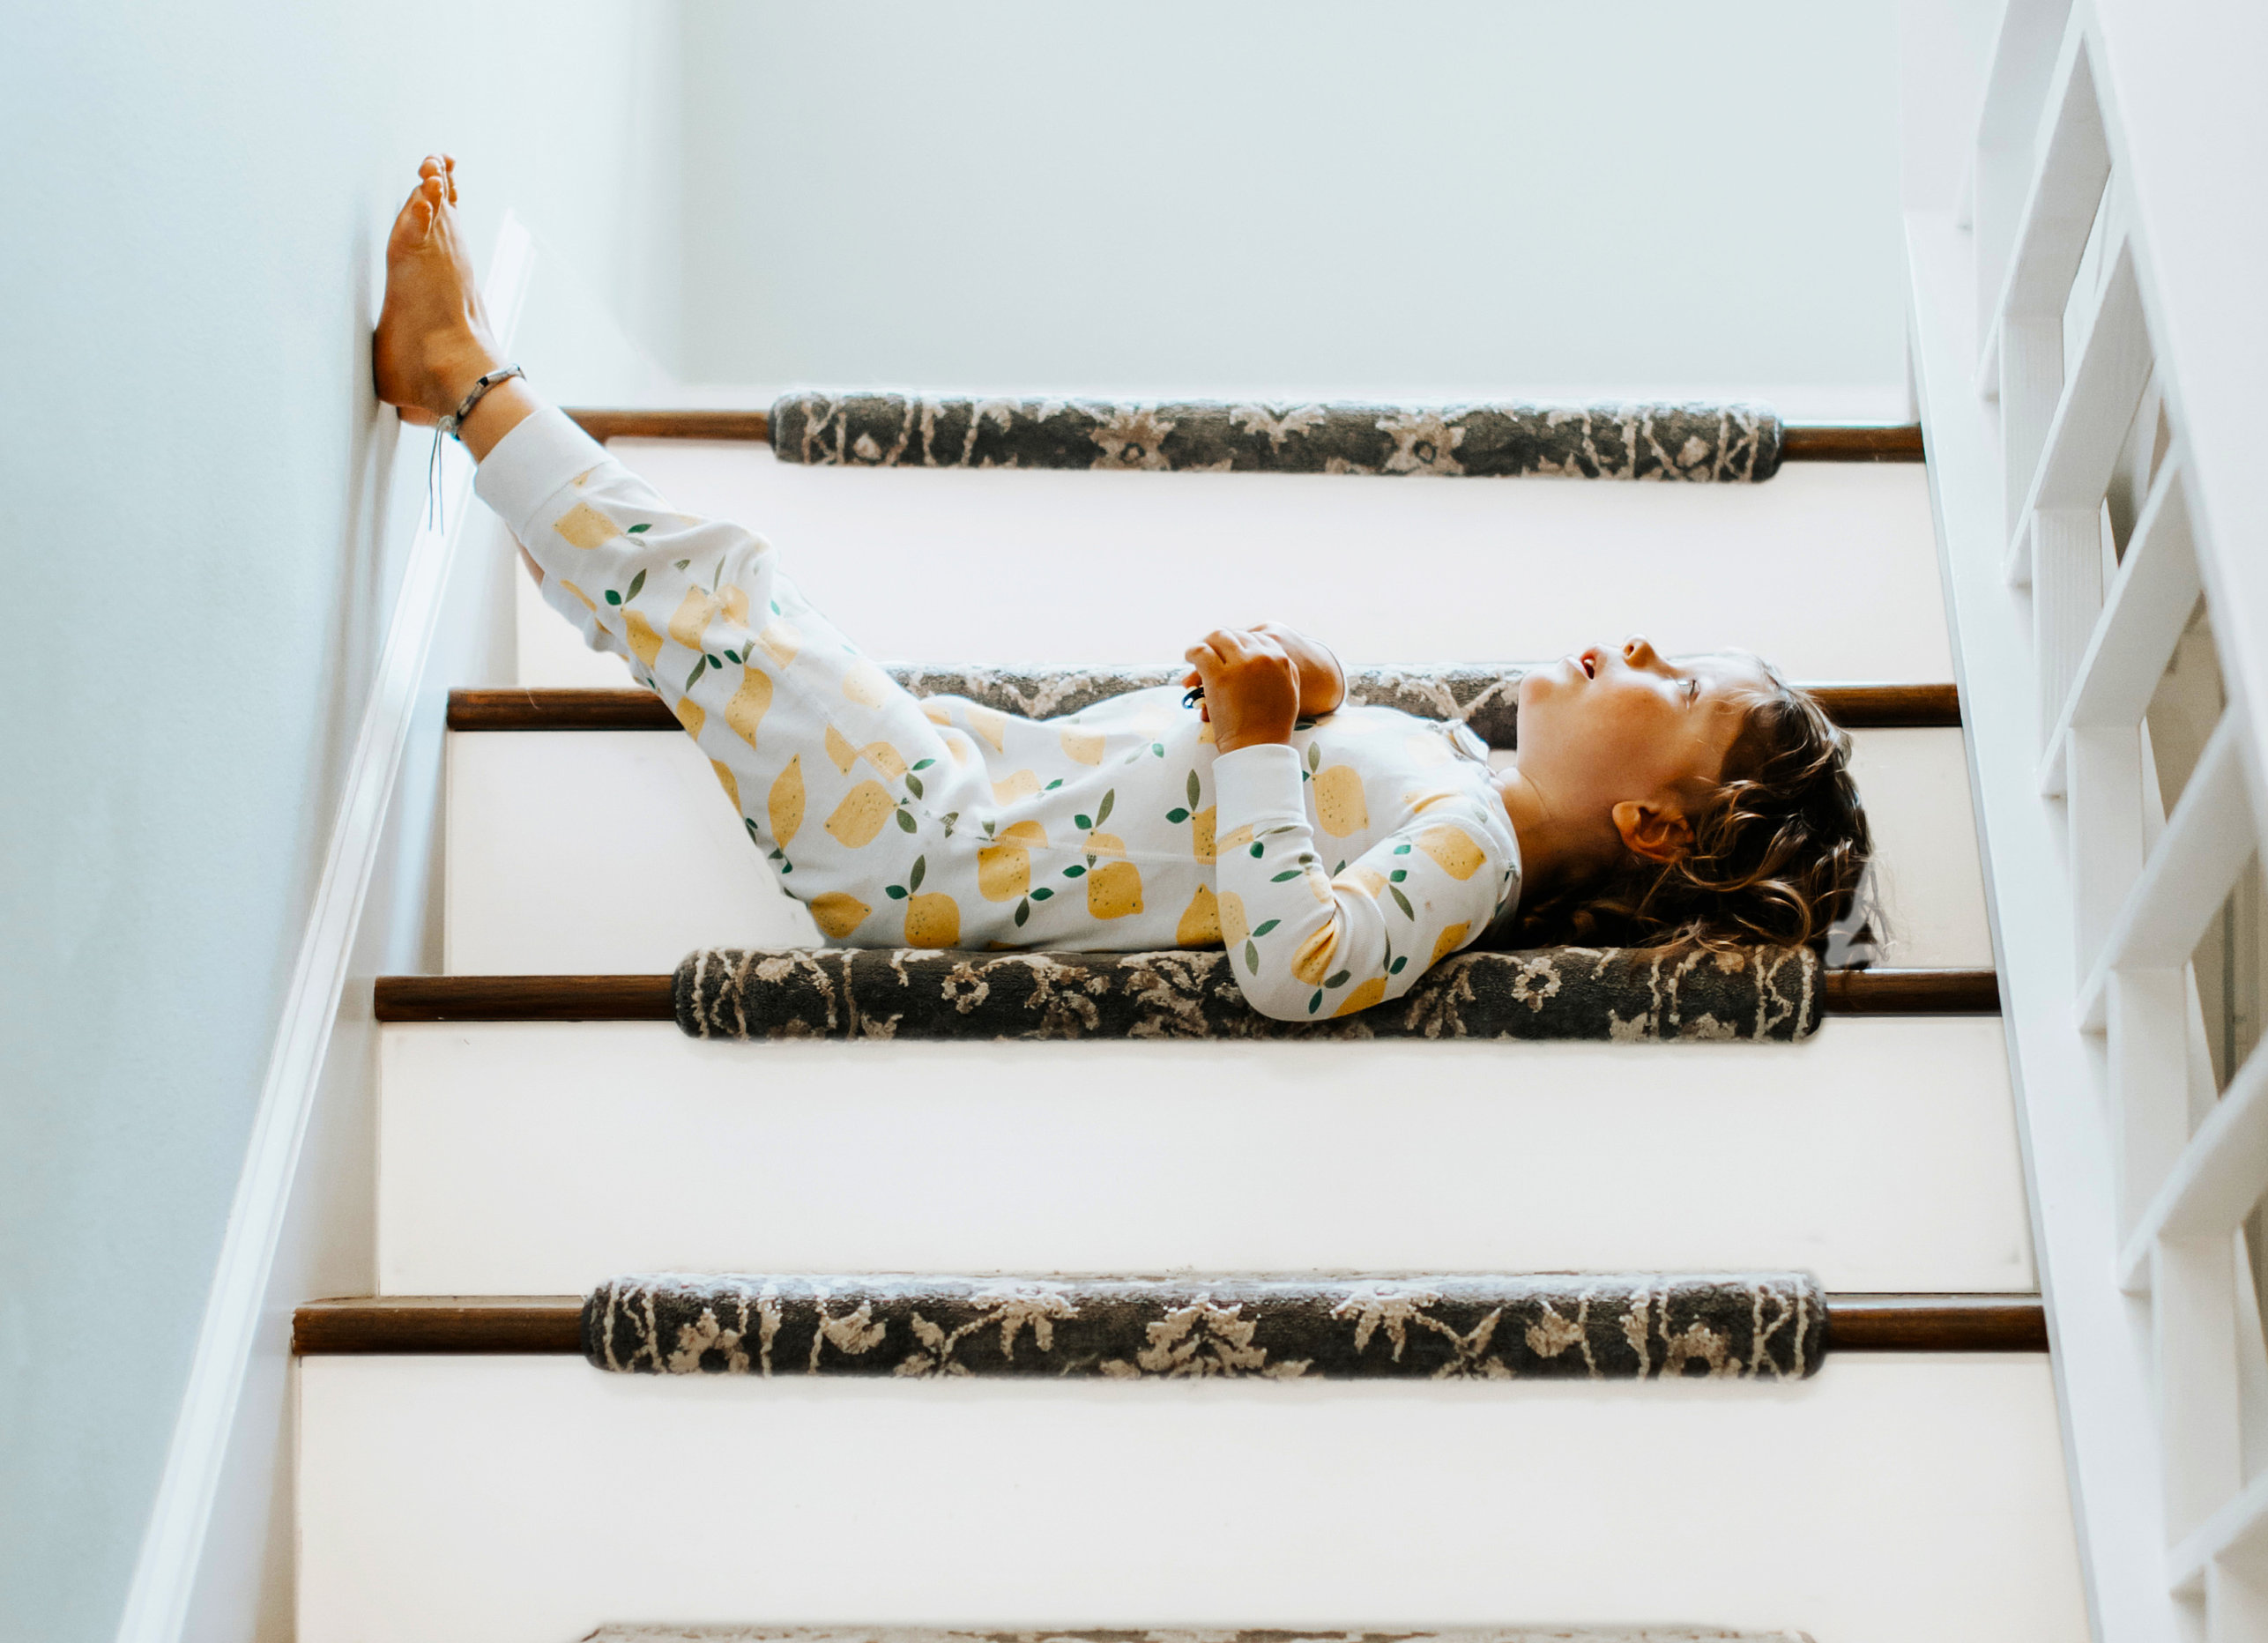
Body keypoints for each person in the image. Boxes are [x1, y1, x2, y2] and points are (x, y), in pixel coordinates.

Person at [378, 160, 1877, 1022]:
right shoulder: (1449, 782)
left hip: (930, 852)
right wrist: (1305, 697)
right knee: (715, 623)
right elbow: (1279, 825)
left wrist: (1257, 740)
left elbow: (1297, 963)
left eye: (1673, 685)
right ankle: (502, 443)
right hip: (958, 795)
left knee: (727, 594)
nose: (1630, 646)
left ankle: (462, 381)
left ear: (1658, 823)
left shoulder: (1479, 854)